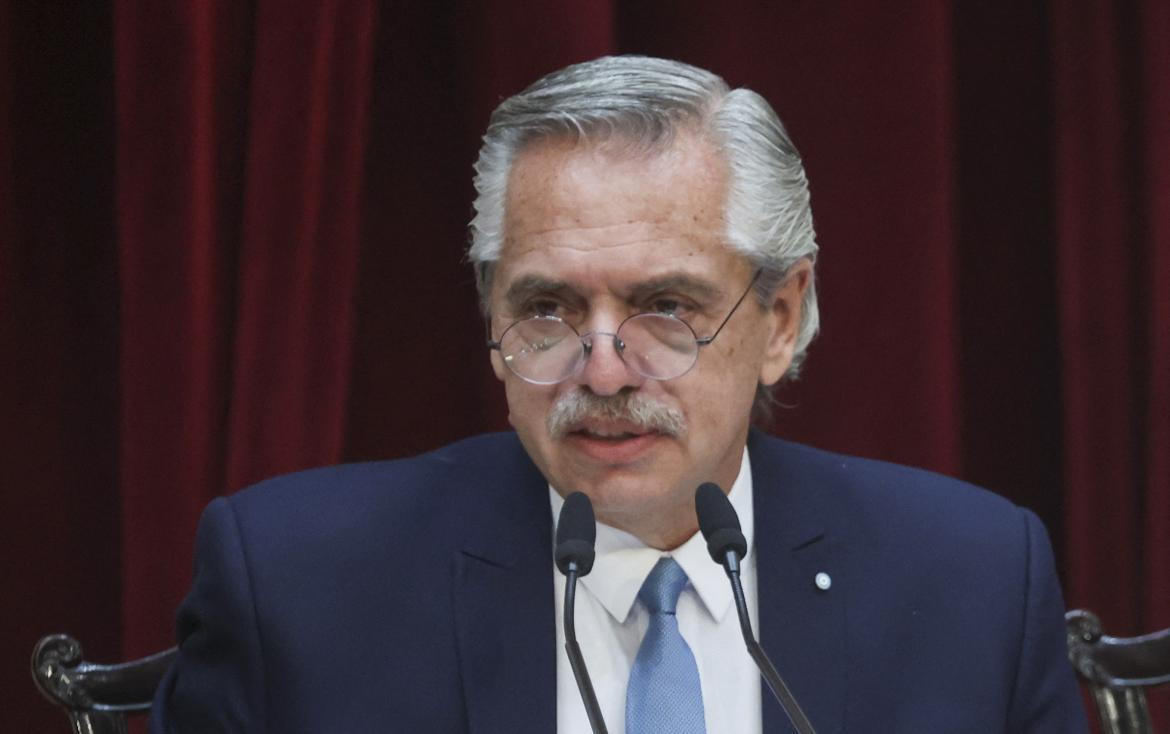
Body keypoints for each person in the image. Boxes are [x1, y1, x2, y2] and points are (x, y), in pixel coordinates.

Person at [150, 56, 1087, 733]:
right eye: (547, 310)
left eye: (666, 307)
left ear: (781, 320)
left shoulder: (973, 585)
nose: (601, 372)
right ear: (490, 318)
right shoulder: (295, 587)